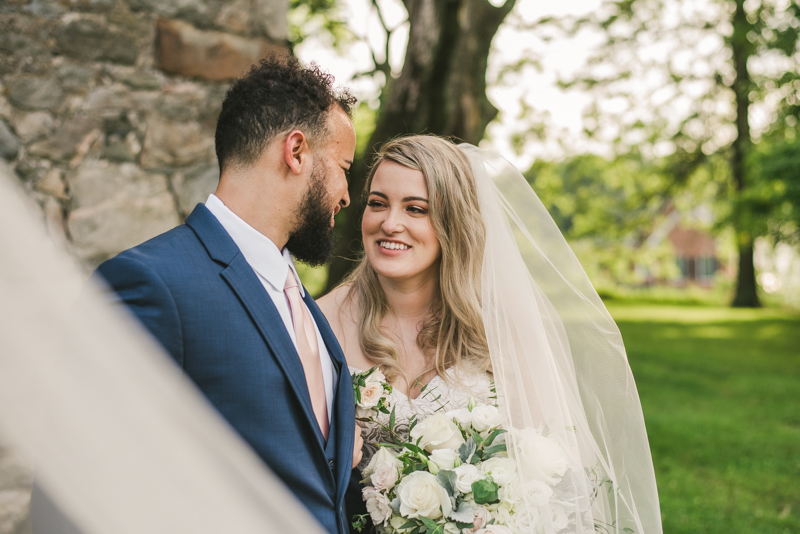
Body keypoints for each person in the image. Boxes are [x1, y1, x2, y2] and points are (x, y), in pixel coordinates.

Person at [319, 136, 663, 533]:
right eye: (378, 203)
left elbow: (560, 476)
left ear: (452, 222)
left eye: (416, 209)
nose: (389, 223)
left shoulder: (501, 327)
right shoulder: (323, 322)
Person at [91, 56, 363, 534]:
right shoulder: (152, 283)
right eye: (342, 167)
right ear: (296, 151)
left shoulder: (307, 308)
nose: (345, 194)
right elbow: (93, 480)